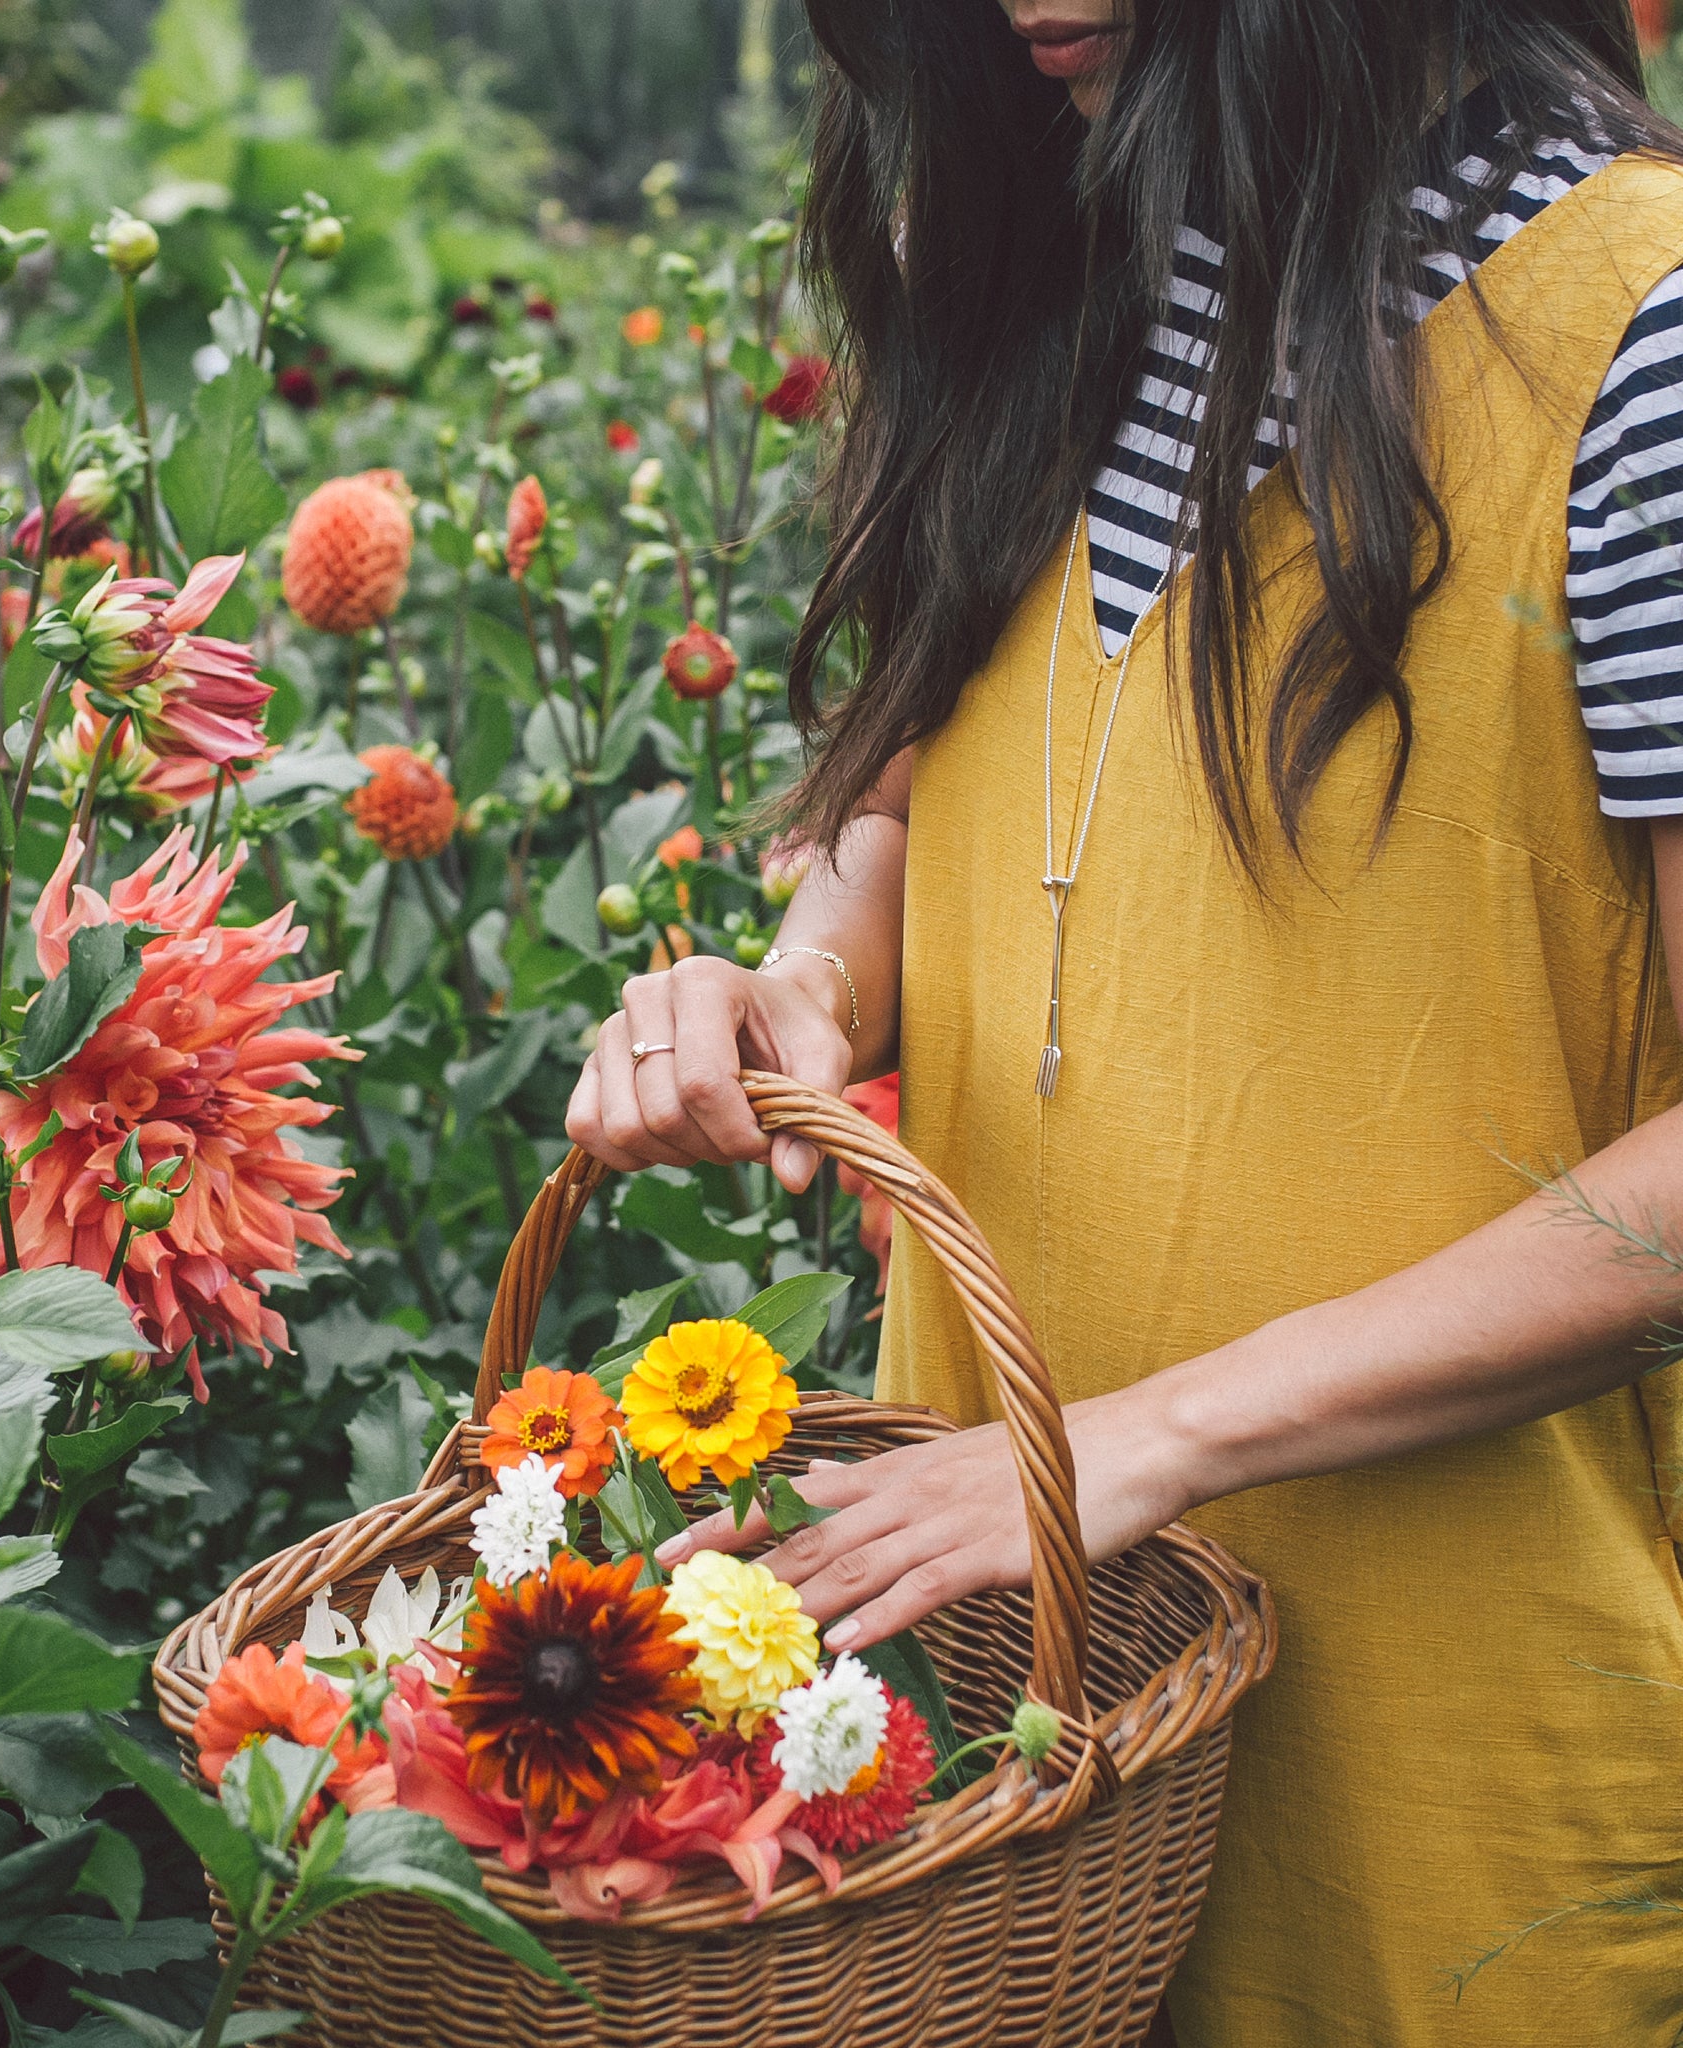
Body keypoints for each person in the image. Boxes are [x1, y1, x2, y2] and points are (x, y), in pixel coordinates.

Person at [566, 2, 1683, 2041]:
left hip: (1450, 1813)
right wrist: (791, 981)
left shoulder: (1640, 341)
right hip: (999, 1795)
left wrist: (1127, 1446)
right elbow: (926, 815)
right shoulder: (1055, 289)